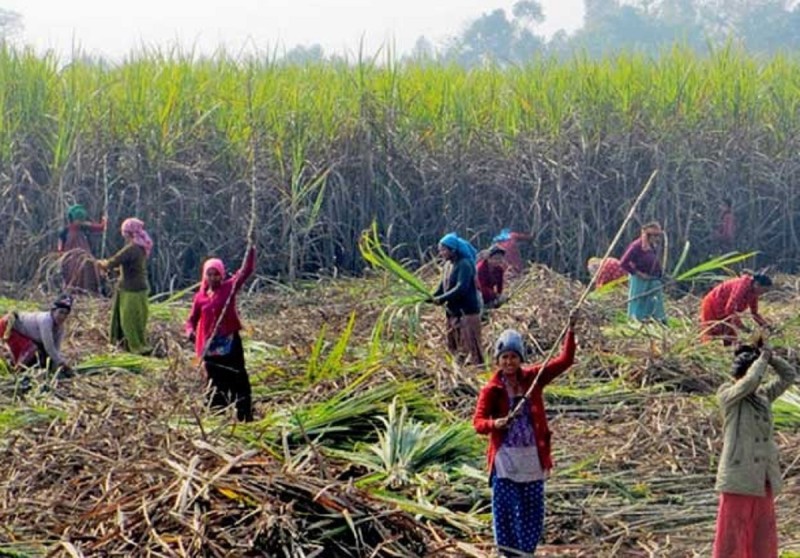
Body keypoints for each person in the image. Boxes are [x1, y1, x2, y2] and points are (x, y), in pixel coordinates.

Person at [473, 312, 578, 557]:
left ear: (520, 359)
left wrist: (570, 330)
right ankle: (508, 554)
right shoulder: (491, 390)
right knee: (506, 513)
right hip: (505, 462)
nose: (509, 362)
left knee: (532, 512)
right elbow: (477, 423)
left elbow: (566, 360)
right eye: (504, 357)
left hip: (532, 457)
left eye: (513, 357)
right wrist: (495, 423)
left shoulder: (533, 379)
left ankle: (526, 553)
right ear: (498, 360)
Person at [712, 341, 796, 558]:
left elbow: (788, 375)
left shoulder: (762, 397)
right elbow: (748, 383)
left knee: (762, 531)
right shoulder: (728, 396)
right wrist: (761, 362)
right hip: (739, 477)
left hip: (762, 477)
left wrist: (770, 356)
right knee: (733, 533)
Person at [185, 246, 256, 422]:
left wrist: (251, 247)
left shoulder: (229, 287)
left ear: (221, 274)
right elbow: (191, 320)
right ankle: (217, 417)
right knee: (216, 382)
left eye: (216, 274)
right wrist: (190, 332)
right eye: (209, 274)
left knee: (237, 377)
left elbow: (246, 270)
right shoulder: (200, 297)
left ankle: (244, 416)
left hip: (229, 343)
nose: (213, 278)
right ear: (204, 276)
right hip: (210, 348)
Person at [96, 218, 152, 354]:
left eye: (124, 233)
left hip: (130, 290)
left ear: (129, 233)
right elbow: (131, 266)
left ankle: (136, 347)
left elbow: (113, 262)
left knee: (128, 320)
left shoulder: (131, 249)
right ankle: (131, 343)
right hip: (140, 288)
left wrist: (99, 263)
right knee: (137, 318)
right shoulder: (141, 247)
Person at [433, 232, 484, 366]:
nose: (441, 253)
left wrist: (442, 299)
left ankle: (473, 373)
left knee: (469, 348)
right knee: (455, 347)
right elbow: (442, 287)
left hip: (466, 313)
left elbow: (461, 288)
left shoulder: (465, 265)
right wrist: (431, 297)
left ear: (453, 250)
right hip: (453, 313)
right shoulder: (448, 265)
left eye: (444, 250)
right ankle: (459, 370)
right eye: (440, 250)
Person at [0, 294, 74, 374]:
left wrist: (55, 369)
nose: (63, 316)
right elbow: (49, 347)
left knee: (44, 357)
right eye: (61, 312)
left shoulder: (60, 328)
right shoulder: (45, 321)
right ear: (53, 311)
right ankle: (17, 371)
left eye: (66, 314)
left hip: (27, 335)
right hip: (8, 326)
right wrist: (62, 363)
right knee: (32, 351)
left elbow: (56, 349)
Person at [700, 274, 772, 346]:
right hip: (712, 304)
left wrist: (766, 326)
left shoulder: (754, 293)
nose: (764, 293)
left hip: (726, 310)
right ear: (757, 284)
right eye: (764, 290)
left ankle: (727, 354)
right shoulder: (742, 286)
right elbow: (730, 309)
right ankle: (703, 352)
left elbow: (754, 313)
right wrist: (742, 327)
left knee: (731, 338)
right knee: (710, 332)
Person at [619, 222, 667, 323]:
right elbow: (623, 262)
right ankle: (636, 321)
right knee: (639, 302)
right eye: (654, 236)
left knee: (654, 302)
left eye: (658, 236)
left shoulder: (652, 246)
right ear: (648, 235)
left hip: (653, 280)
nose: (656, 238)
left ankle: (658, 321)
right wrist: (639, 274)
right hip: (640, 281)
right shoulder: (636, 246)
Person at [58, 204, 106, 294]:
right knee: (73, 273)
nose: (80, 222)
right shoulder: (64, 231)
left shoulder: (83, 227)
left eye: (81, 220)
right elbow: (60, 247)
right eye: (78, 220)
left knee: (87, 270)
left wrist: (104, 220)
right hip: (70, 257)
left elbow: (101, 228)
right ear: (72, 219)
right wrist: (62, 256)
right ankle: (73, 292)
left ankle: (87, 292)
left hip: (83, 256)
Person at [477, 245, 507, 310]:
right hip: (478, 295)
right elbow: (481, 287)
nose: (498, 261)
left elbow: (500, 285)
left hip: (490, 295)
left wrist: (499, 295)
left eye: (500, 259)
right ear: (488, 258)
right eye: (495, 258)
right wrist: (495, 295)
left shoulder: (499, 270)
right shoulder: (480, 268)